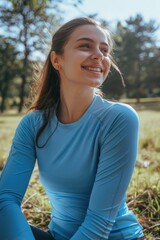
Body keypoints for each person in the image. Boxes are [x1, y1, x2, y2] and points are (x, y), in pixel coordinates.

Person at [0, 17, 145, 240]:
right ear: (57, 60)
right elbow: (6, 198)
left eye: (104, 50)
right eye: (85, 46)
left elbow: (98, 224)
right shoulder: (33, 124)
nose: (99, 55)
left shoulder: (119, 118)